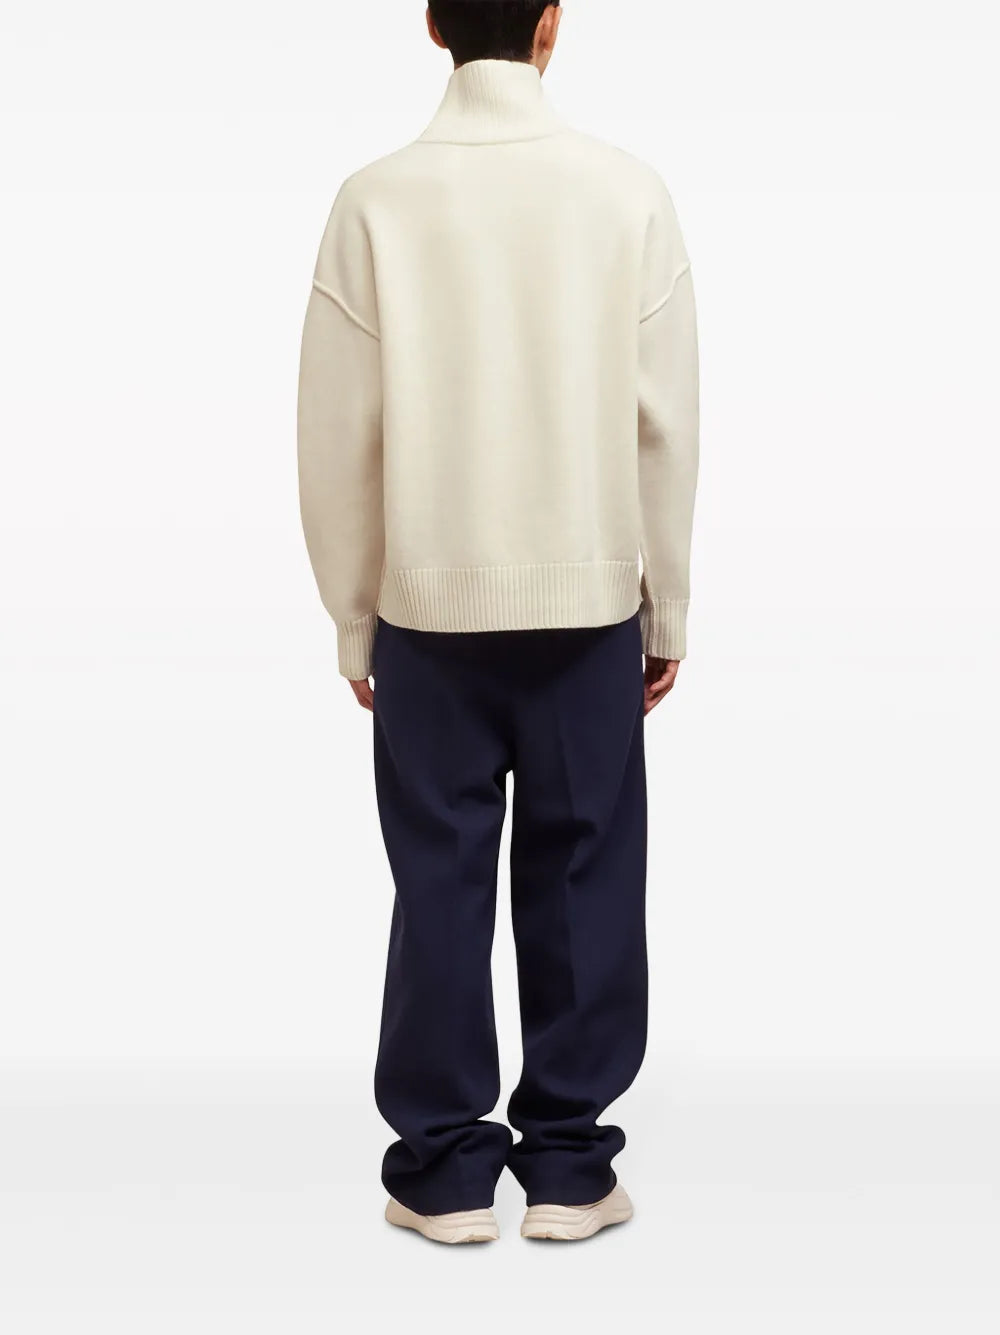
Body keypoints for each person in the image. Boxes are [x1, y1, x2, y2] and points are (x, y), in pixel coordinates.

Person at [297, 0, 699, 1245]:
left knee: (438, 882)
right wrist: (668, 603)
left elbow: (338, 432)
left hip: (426, 608)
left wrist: (352, 617)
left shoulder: (375, 202)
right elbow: (665, 423)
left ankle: (442, 1176)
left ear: (431, 24)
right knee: (583, 876)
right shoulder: (625, 193)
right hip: (587, 608)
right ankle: (569, 1170)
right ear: (551, 25)